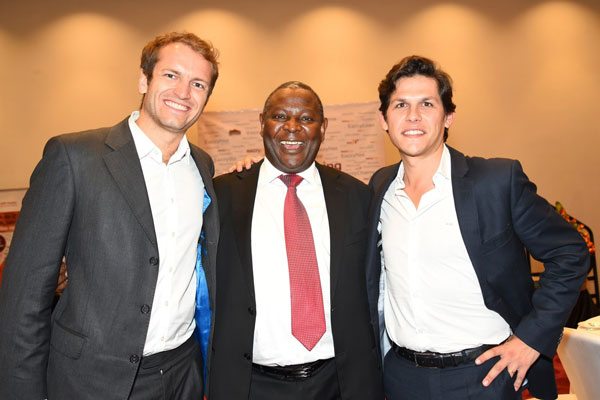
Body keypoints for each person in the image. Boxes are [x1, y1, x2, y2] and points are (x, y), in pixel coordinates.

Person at [0, 32, 220, 400]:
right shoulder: (74, 157)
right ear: (143, 79)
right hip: (93, 379)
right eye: (171, 75)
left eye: (198, 83)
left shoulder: (203, 167)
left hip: (183, 374)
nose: (184, 92)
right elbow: (24, 297)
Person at [365, 55, 590, 400]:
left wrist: (532, 337)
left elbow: (570, 252)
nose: (412, 116)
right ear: (384, 119)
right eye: (400, 105)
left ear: (448, 116)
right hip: (401, 378)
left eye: (427, 103)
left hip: (483, 376)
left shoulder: (496, 182)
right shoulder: (379, 188)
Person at [209, 81, 384, 399]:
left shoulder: (358, 197)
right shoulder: (221, 195)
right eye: (279, 116)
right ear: (262, 122)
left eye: (306, 118)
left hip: (341, 382)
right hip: (250, 385)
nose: (292, 128)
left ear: (323, 127)